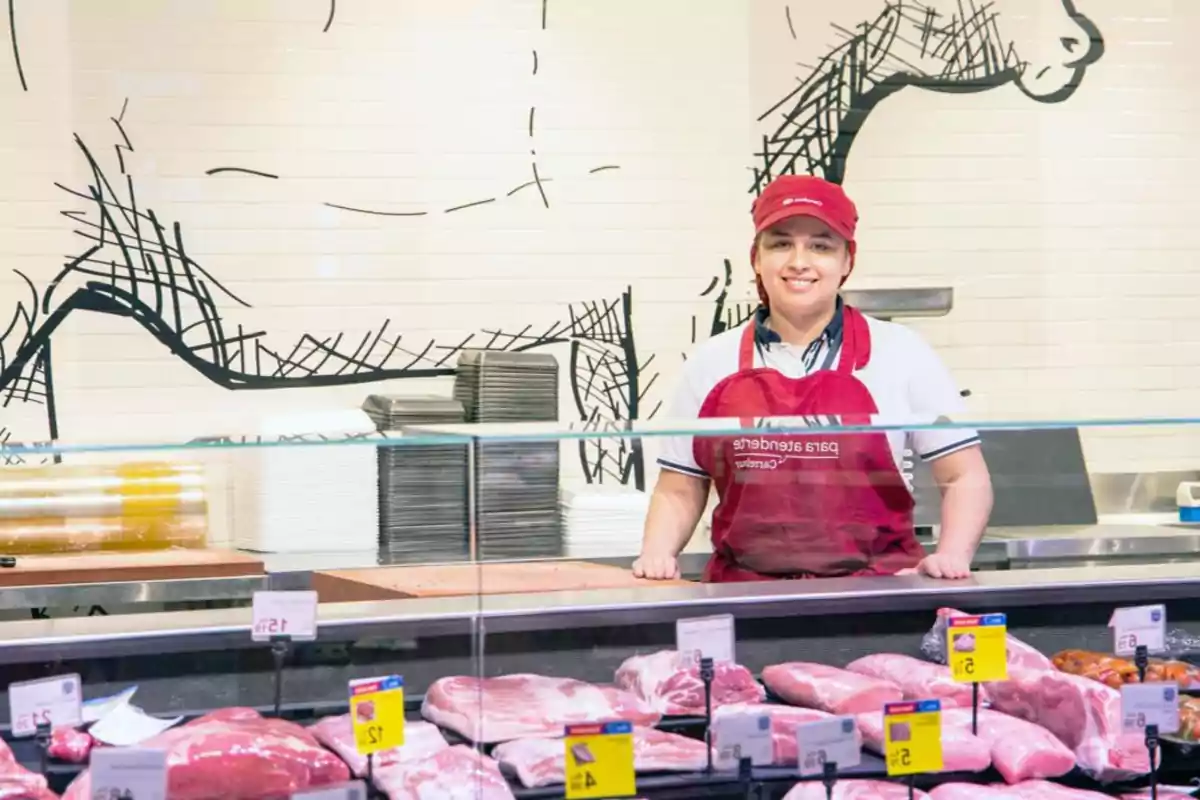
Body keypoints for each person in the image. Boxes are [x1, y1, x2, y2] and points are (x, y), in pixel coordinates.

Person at [633, 175, 993, 583]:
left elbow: (964, 474)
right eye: (781, 243)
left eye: (821, 246)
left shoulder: (902, 351)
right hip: (747, 595)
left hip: (877, 590)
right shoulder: (711, 361)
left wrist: (953, 554)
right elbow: (680, 487)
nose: (799, 262)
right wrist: (657, 555)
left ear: (847, 262)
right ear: (757, 258)